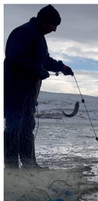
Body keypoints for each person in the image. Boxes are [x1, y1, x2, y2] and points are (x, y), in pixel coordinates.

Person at [4, 5, 74, 169]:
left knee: (28, 127)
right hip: (15, 90)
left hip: (29, 93)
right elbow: (14, 58)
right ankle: (11, 165)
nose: (54, 30)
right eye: (53, 25)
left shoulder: (39, 37)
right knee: (14, 126)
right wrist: (37, 70)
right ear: (44, 21)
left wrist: (61, 68)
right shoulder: (23, 33)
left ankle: (29, 164)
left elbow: (44, 60)